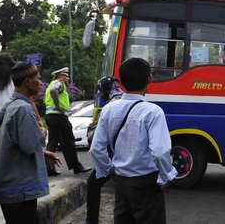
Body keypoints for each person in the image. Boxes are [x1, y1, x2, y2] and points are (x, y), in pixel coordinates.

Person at [90, 58, 178, 224]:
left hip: (121, 182)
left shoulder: (109, 109)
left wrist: (108, 170)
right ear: (149, 79)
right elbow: (159, 152)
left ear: (121, 82)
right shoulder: (153, 112)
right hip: (146, 184)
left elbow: (96, 149)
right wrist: (166, 176)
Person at [0, 62, 62, 224]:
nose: (41, 82)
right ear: (27, 81)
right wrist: (42, 132)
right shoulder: (23, 108)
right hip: (19, 189)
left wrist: (44, 153)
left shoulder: (11, 105)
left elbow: (16, 141)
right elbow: (30, 146)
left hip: (10, 187)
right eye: (38, 78)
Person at [85, 76, 124, 224]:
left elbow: (96, 141)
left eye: (101, 91)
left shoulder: (109, 107)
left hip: (113, 156)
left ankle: (91, 220)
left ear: (106, 90)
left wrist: (107, 167)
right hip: (129, 157)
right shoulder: (130, 102)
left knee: (93, 185)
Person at [44, 67, 91, 176]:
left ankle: (49, 169)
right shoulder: (58, 83)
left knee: (52, 143)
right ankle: (76, 167)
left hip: (50, 116)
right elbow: (53, 91)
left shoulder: (51, 84)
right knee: (68, 142)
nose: (68, 78)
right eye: (66, 76)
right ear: (60, 76)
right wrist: (58, 107)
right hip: (59, 117)